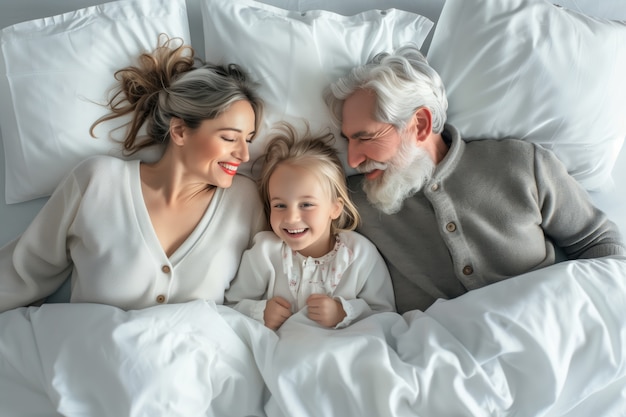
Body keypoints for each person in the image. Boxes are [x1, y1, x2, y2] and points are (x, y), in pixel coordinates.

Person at [324, 44, 626, 314]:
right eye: (348, 140)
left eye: (365, 137)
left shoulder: (520, 164)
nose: (352, 160)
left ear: (419, 124)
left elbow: (600, 244)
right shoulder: (349, 202)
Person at [0, 36, 267, 313]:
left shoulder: (245, 201)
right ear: (179, 131)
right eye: (229, 138)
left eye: (248, 140)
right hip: (86, 352)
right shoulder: (98, 182)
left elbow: (270, 291)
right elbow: (23, 272)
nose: (244, 155)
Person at [225, 123, 395, 330]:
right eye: (279, 205)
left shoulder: (360, 254)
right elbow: (231, 306)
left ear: (335, 208)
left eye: (306, 204)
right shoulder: (265, 252)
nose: (291, 217)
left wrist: (344, 313)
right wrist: (260, 312)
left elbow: (385, 314)